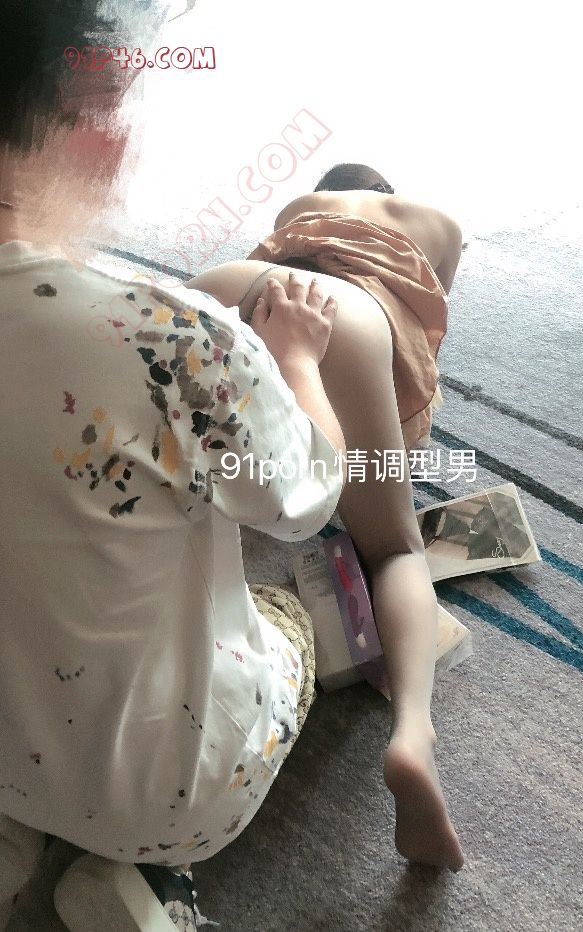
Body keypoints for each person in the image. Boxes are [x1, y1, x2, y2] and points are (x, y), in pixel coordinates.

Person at [0, 3, 346, 929]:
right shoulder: (171, 338)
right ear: (90, 124)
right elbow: (306, 497)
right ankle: (149, 874)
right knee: (288, 618)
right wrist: (300, 363)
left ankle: (15, 839)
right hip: (168, 790)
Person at [186, 163, 466, 873]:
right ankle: (412, 734)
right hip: (346, 317)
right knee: (396, 549)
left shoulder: (303, 204)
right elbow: (421, 351)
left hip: (234, 290)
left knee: (185, 478)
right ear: (389, 195)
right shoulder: (440, 226)